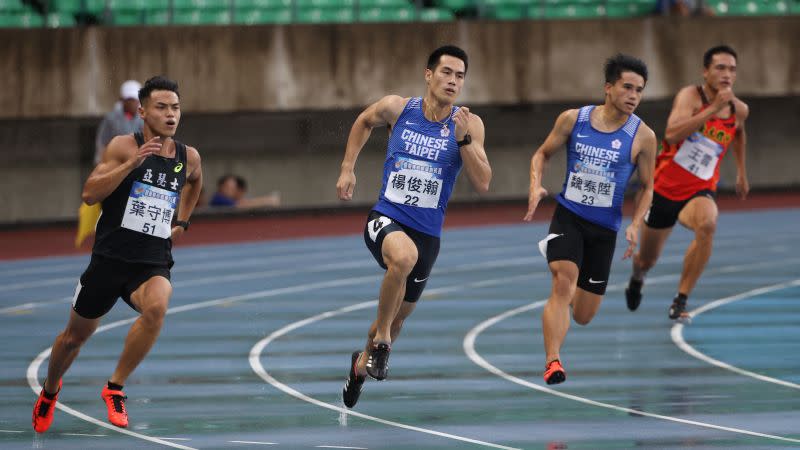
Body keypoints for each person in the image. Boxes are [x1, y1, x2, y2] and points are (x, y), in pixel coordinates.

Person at [33, 76, 203, 432]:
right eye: (161, 107)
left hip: (152, 261)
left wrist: (182, 222)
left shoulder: (188, 156)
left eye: (175, 107)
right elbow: (89, 194)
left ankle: (115, 388)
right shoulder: (124, 146)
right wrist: (130, 166)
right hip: (109, 260)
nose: (170, 114)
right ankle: (49, 391)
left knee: (157, 307)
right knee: (73, 339)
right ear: (142, 111)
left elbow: (195, 181)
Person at [336, 45, 491, 408]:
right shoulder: (398, 108)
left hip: (428, 234)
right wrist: (347, 167)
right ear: (428, 74)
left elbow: (484, 182)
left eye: (460, 76)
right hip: (386, 218)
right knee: (402, 258)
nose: (453, 81)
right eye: (446, 72)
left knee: (395, 317)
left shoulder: (469, 124)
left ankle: (361, 364)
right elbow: (363, 121)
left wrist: (463, 140)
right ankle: (384, 342)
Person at [523, 54, 657, 385]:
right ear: (608, 88)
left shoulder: (643, 137)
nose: (633, 96)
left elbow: (648, 186)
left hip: (604, 231)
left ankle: (562, 314)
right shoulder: (574, 120)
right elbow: (542, 153)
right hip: (569, 217)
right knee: (563, 283)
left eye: (639, 90)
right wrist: (535, 185)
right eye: (627, 87)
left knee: (583, 314)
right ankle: (553, 361)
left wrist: (635, 224)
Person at [625, 45, 749, 320]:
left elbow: (738, 134)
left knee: (708, 223)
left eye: (732, 69)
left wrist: (741, 171)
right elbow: (671, 134)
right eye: (720, 68)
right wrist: (712, 109)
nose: (726, 74)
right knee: (647, 260)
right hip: (663, 190)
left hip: (699, 190)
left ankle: (680, 299)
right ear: (705, 72)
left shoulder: (739, 110)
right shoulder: (691, 96)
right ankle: (637, 278)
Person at [76, 80, 145, 248]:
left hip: (137, 166)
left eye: (135, 100)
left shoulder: (143, 118)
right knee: (111, 201)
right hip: (115, 166)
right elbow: (101, 141)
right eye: (129, 99)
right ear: (122, 100)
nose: (132, 103)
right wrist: (100, 165)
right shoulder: (111, 118)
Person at [208, 174, 280, 208]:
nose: (232, 190)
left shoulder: (230, 199)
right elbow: (240, 206)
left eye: (234, 188)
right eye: (228, 187)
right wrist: (267, 201)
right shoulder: (218, 199)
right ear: (221, 187)